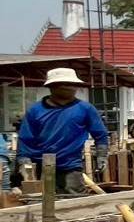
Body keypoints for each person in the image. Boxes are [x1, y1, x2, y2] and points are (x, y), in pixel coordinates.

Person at [14, 67, 109, 195]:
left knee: (75, 202)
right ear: (52, 87)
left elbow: (100, 134)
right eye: (65, 84)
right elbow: (25, 139)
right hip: (40, 166)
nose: (70, 88)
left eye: (72, 84)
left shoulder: (85, 109)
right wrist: (23, 161)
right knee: (39, 202)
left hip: (70, 166)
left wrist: (101, 155)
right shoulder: (35, 111)